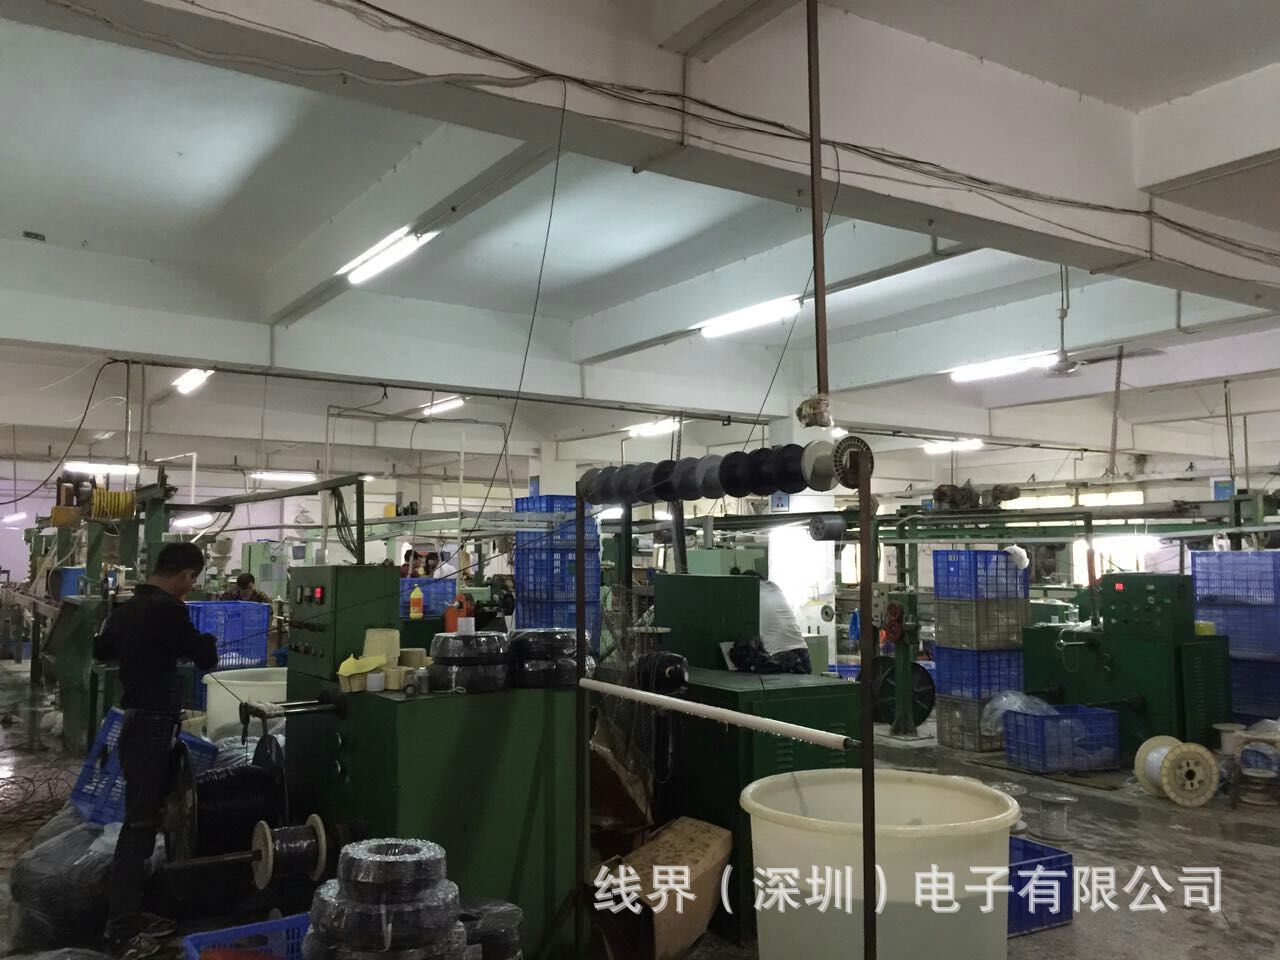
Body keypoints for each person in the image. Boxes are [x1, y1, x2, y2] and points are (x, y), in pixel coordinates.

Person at [93, 542, 219, 960]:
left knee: (147, 821)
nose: (190, 586)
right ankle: (121, 932)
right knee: (140, 827)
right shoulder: (168, 610)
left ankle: (132, 913)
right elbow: (204, 657)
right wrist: (207, 639)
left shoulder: (127, 607)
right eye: (192, 579)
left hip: (136, 721)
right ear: (185, 574)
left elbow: (102, 649)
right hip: (150, 726)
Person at [748, 570, 812, 673]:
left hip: (777, 653)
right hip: (801, 649)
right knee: (806, 683)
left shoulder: (749, 591)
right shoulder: (774, 588)